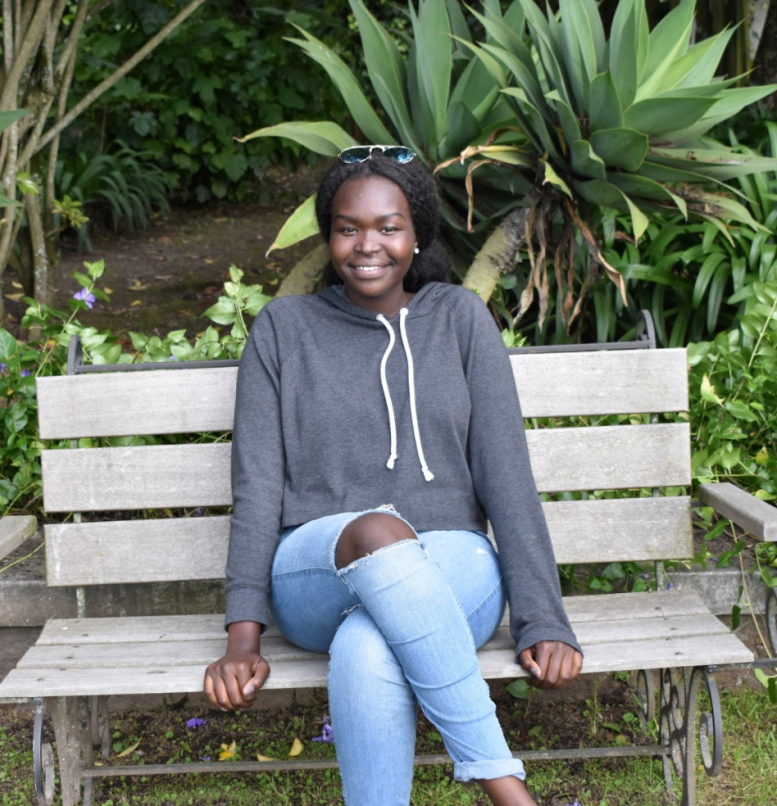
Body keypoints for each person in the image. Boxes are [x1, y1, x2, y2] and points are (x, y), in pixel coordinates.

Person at [203, 145, 583, 806]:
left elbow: (507, 477)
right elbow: (258, 486)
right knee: (378, 531)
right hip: (317, 568)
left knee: (367, 645)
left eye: (388, 227)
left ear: (417, 236)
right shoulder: (283, 330)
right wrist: (243, 639)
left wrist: (543, 621)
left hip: (453, 565)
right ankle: (508, 789)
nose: (366, 245)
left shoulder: (459, 320)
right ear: (329, 236)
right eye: (348, 228)